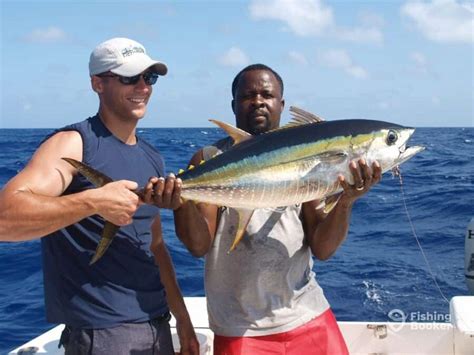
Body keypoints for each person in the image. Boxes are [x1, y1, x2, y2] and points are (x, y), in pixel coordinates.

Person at [0, 37, 199, 355]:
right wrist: (91, 201)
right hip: (103, 336)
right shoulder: (74, 143)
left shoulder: (152, 157)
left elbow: (157, 247)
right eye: (129, 78)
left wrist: (183, 321)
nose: (143, 87)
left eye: (149, 78)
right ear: (97, 83)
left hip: (158, 324)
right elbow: (5, 218)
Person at [173, 64, 382, 354]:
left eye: (267, 95)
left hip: (308, 314)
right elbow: (199, 246)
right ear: (234, 104)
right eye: (248, 95)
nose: (258, 101)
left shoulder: (307, 155)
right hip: (241, 328)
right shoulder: (211, 157)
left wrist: (346, 200)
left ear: (281, 104)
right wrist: (178, 202)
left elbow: (322, 249)